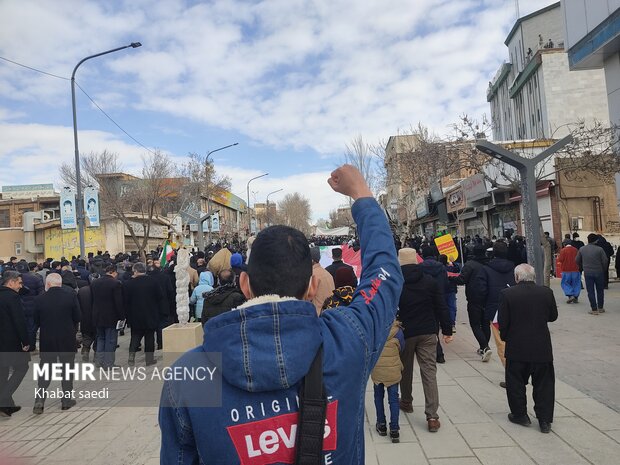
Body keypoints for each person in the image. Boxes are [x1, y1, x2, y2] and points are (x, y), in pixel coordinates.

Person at [159, 164, 403, 463]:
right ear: (313, 286)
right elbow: (385, 275)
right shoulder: (347, 340)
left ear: (245, 284)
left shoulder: (190, 375)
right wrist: (361, 195)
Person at [396, 247, 453, 432]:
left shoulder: (396, 283)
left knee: (405, 369)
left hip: (406, 332)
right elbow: (441, 306)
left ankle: (406, 401)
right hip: (428, 331)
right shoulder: (429, 281)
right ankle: (432, 416)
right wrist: (447, 330)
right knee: (429, 372)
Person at [498, 264, 558, 433]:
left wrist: (505, 337)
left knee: (515, 382)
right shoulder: (546, 292)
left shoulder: (507, 294)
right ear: (534, 276)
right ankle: (545, 420)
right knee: (544, 384)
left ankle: (520, 414)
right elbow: (553, 316)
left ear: (516, 277)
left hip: (517, 346)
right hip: (542, 346)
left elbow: (504, 322)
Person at [32, 273, 81, 414]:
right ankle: (66, 400)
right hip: (67, 338)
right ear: (60, 284)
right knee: (67, 370)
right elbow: (78, 316)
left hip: (48, 340)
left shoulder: (39, 299)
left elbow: (36, 321)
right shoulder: (70, 296)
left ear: (47, 284)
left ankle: (39, 400)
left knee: (45, 370)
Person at [476, 241, 515, 386]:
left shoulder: (486, 270)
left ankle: (511, 375)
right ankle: (518, 371)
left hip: (495, 310)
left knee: (501, 343)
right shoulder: (515, 268)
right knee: (514, 339)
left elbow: (481, 291)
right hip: (514, 308)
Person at [451, 244, 492, 361]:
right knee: (485, 324)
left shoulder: (470, 265)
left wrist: (450, 278)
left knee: (475, 324)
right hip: (487, 297)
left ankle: (484, 346)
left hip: (474, 298)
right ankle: (484, 347)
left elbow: (461, 280)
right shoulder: (489, 264)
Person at [0, 271, 30, 417]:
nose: (20, 286)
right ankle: (4, 399)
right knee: (22, 367)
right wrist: (26, 341)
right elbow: (19, 321)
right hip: (10, 342)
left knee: (3, 372)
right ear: (10, 282)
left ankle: (7, 406)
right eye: (19, 282)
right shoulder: (12, 297)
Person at [123, 262, 164, 366]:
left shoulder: (128, 284)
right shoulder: (153, 282)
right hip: (150, 313)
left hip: (135, 315)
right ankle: (149, 359)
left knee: (135, 336)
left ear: (135, 271)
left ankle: (131, 356)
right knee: (149, 337)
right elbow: (160, 296)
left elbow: (125, 301)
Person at [371, 319, 404, 443]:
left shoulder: (375, 330)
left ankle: (381, 424)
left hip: (378, 369)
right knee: (394, 400)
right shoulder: (398, 331)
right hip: (393, 370)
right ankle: (394, 430)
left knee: (378, 397)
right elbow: (402, 347)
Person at [419, 245, 449, 364]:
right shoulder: (441, 267)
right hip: (440, 297)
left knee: (432, 326)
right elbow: (446, 283)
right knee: (437, 323)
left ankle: (438, 352)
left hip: (426, 299)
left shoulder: (420, 267)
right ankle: (439, 354)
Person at [91, 264, 124, 368]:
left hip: (97, 315)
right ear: (113, 272)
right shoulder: (115, 284)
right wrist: (122, 316)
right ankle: (108, 363)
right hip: (111, 317)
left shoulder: (94, 283)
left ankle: (99, 361)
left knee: (101, 338)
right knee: (110, 340)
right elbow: (118, 302)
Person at [575, 233, 609, 315]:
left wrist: (582, 266)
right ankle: (600, 307)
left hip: (588, 273)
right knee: (600, 290)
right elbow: (605, 261)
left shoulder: (582, 249)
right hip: (599, 272)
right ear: (596, 240)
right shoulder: (600, 249)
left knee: (590, 291)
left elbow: (577, 260)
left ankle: (594, 309)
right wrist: (603, 269)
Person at [310, 246, 335, 315]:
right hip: (330, 313)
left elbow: (308, 297)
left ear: (312, 260)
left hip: (318, 314)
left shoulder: (312, 275)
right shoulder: (327, 273)